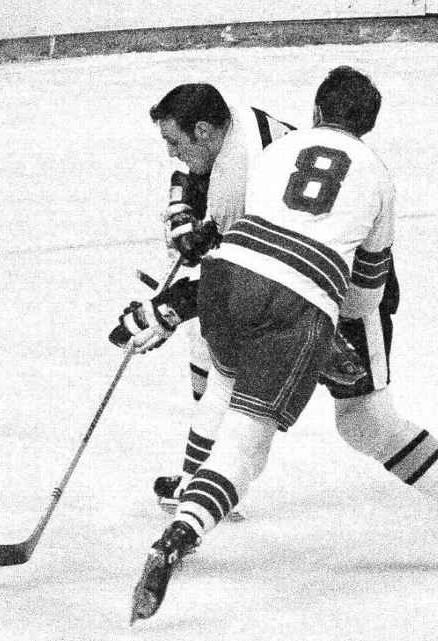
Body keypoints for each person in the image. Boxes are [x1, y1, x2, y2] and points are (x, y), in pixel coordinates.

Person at [113, 66, 438, 624]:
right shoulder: (377, 175)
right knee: (359, 423)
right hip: (313, 304)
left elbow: (244, 243)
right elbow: (364, 299)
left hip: (230, 285)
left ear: (317, 112)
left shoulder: (278, 148)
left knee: (224, 384)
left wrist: (176, 298)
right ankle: (189, 518)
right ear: (367, 125)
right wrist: (321, 334)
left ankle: (188, 508)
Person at [133, 83, 298, 515]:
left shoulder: (239, 182)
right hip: (276, 255)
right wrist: (183, 209)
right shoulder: (232, 119)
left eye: (174, 141)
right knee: (209, 358)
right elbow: (189, 173)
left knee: (226, 372)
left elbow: (236, 283)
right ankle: (200, 474)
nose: (171, 152)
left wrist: (170, 307)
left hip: (308, 283)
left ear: (204, 130)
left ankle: (199, 484)